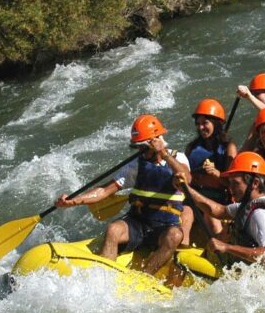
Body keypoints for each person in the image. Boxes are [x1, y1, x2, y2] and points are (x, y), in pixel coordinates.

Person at [54, 114, 191, 287]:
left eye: (143, 146)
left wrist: (164, 155)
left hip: (164, 228)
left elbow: (187, 178)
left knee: (176, 235)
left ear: (156, 140)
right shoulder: (135, 165)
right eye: (138, 146)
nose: (140, 150)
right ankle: (102, 281)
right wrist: (73, 201)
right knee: (113, 229)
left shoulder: (178, 159)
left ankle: (143, 280)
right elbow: (104, 190)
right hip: (138, 223)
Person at [179, 151, 265, 265]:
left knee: (181, 260)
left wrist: (227, 247)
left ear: (255, 183)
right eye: (230, 182)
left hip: (259, 279)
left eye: (236, 183)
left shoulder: (260, 215)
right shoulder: (250, 204)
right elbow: (218, 210)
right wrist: (186, 189)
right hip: (245, 273)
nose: (230, 188)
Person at [180, 98, 237, 243]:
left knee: (210, 215)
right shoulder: (191, 148)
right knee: (185, 215)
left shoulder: (228, 148)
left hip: (218, 199)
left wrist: (216, 173)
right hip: (195, 197)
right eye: (198, 124)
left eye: (205, 123)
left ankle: (221, 250)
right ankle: (181, 252)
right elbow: (186, 177)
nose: (201, 127)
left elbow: (233, 183)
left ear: (216, 124)